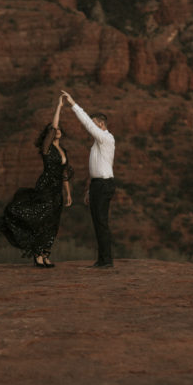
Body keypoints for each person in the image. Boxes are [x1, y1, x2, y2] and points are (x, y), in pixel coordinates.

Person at [0, 95, 73, 268]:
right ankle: (37, 254)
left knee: (53, 222)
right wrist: (59, 106)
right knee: (41, 219)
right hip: (45, 187)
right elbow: (54, 126)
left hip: (57, 189)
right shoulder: (47, 148)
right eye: (54, 130)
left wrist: (68, 193)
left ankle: (45, 254)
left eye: (59, 130)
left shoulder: (63, 150)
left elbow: (65, 174)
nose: (57, 130)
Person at [61, 90, 115, 268]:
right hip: (98, 185)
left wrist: (73, 104)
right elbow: (96, 169)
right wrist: (90, 189)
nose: (91, 128)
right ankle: (103, 259)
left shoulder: (106, 138)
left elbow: (87, 125)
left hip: (105, 184)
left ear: (101, 125)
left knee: (101, 222)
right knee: (98, 222)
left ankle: (106, 260)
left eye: (94, 124)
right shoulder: (98, 144)